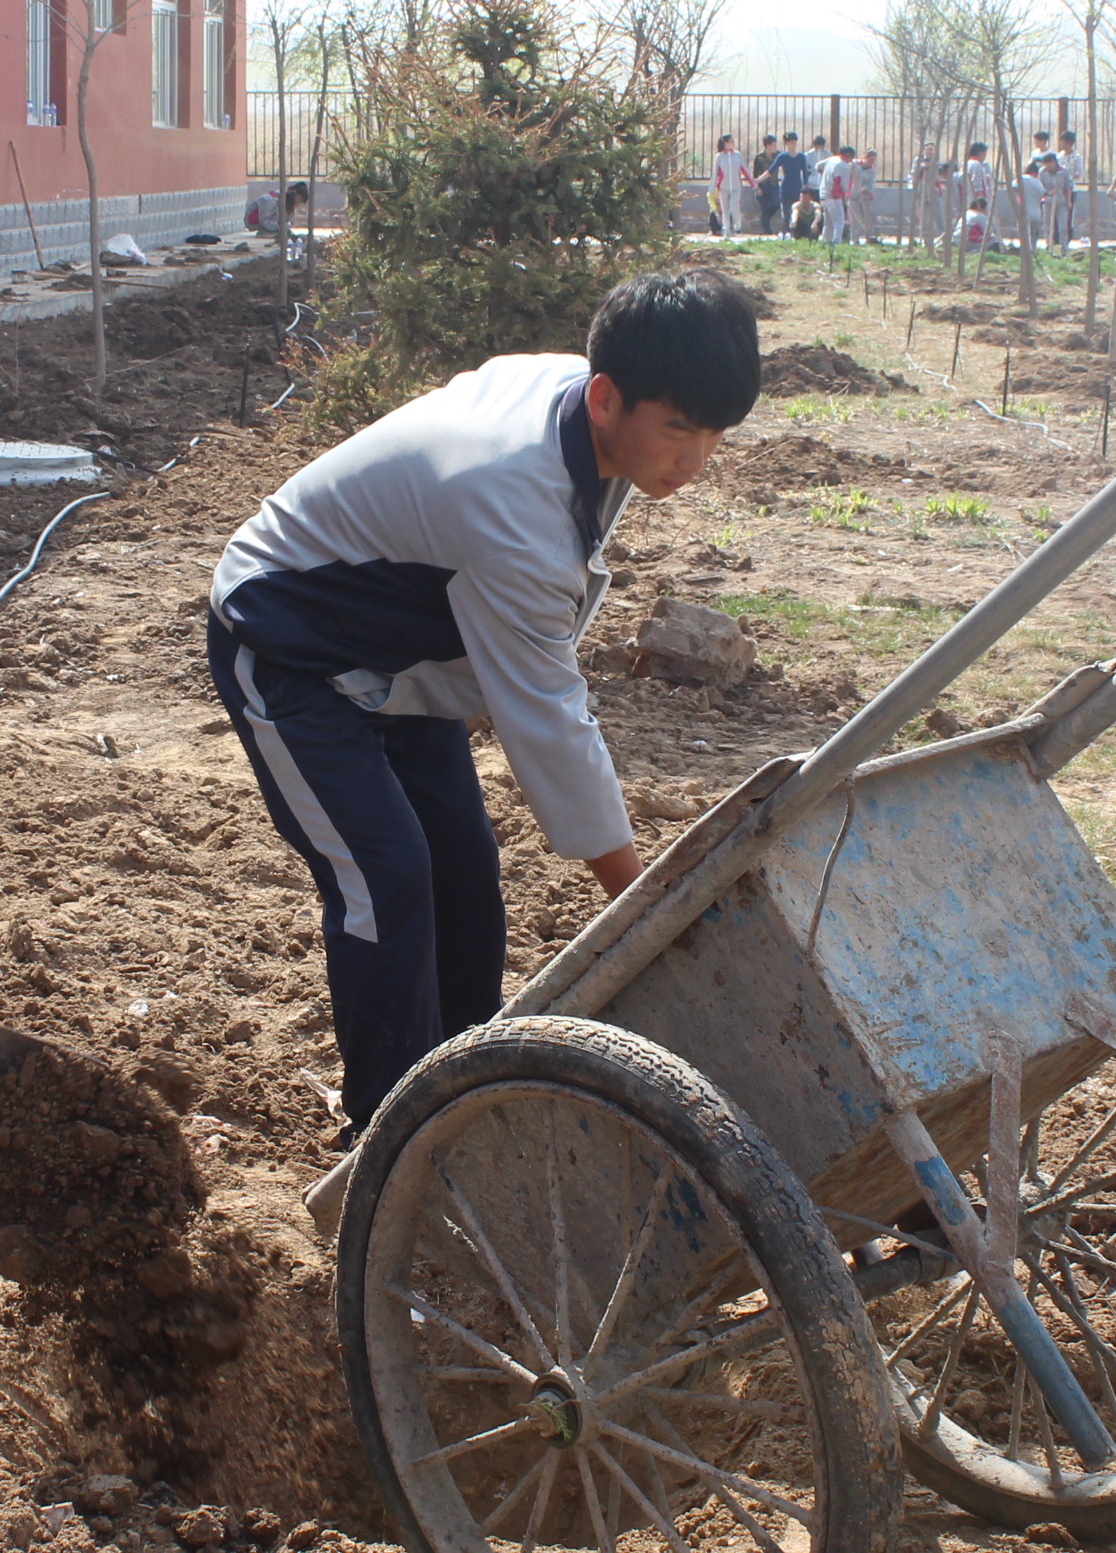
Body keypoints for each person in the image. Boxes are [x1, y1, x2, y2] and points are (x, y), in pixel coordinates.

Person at [209, 271, 763, 1187]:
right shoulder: (511, 503)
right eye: (679, 430)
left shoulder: (582, 412)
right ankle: (387, 1150)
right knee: (387, 876)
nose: (694, 459)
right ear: (606, 396)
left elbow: (534, 672)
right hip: (288, 643)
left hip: (407, 654)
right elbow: (548, 719)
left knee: (464, 863)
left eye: (713, 435)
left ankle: (464, 1094)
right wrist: (640, 899)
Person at [710, 133, 751, 238]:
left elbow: (745, 170)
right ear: (725, 143)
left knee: (735, 206)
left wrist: (753, 183)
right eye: (731, 141)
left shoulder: (737, 155)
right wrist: (712, 187)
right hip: (723, 187)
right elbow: (715, 172)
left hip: (736, 186)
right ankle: (726, 229)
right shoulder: (719, 156)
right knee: (725, 209)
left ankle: (738, 228)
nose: (733, 143)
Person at [753, 134, 786, 235]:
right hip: (763, 186)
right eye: (774, 144)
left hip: (774, 185)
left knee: (776, 204)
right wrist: (757, 187)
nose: (775, 147)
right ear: (767, 145)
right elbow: (755, 174)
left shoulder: (779, 156)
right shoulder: (759, 158)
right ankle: (767, 230)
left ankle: (764, 220)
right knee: (764, 208)